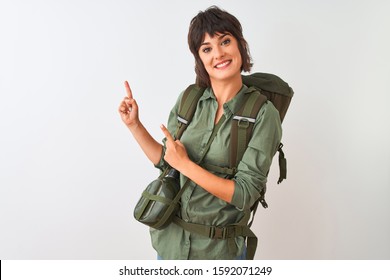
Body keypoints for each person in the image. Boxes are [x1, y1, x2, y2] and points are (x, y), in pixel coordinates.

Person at [118, 6, 282, 260]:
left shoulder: (263, 114)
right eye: (207, 48)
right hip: (170, 247)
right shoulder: (190, 99)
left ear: (240, 45)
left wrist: (185, 165)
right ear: (200, 58)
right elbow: (167, 162)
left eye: (225, 41)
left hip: (218, 254)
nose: (218, 54)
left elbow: (244, 193)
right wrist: (134, 125)